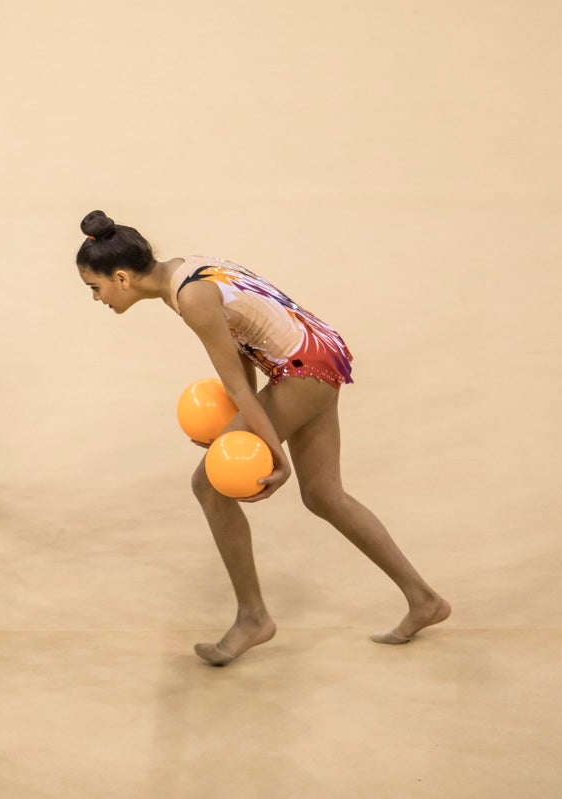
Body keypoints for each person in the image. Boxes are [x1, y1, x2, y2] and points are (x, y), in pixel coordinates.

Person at [74, 210, 451, 666]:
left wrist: (273, 453)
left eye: (94, 288)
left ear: (121, 277)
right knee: (325, 496)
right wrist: (242, 429)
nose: (96, 299)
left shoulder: (192, 300)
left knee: (208, 485)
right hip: (317, 351)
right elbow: (244, 349)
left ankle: (254, 618)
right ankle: (424, 600)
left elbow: (235, 382)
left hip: (302, 369)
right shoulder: (183, 269)